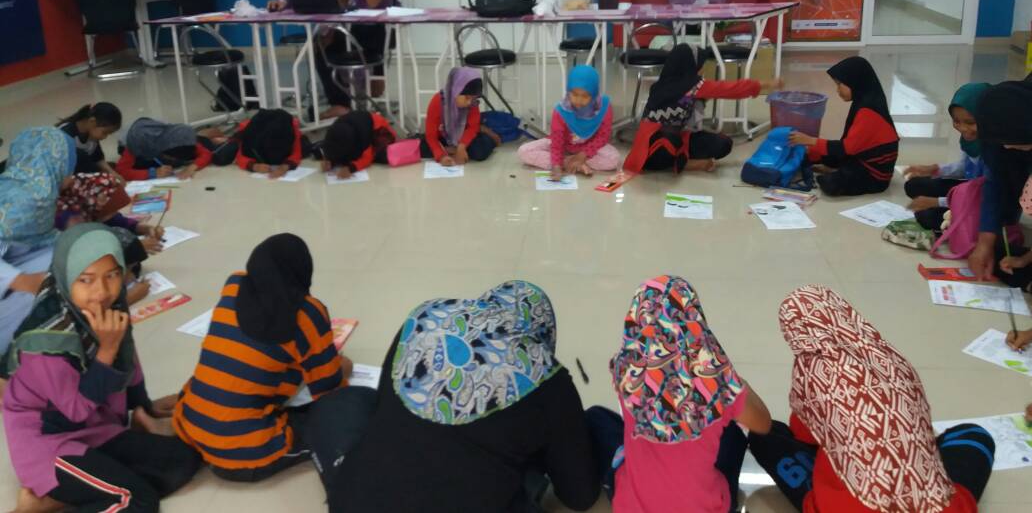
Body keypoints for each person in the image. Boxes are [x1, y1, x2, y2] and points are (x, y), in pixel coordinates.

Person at [321, 280, 600, 512]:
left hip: (352, 502)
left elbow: (384, 405)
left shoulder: (424, 317)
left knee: (354, 403)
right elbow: (579, 496)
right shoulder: (545, 373)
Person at [2, 224, 201, 513]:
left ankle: (58, 499)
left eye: (112, 275)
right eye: (86, 279)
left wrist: (143, 406)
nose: (102, 291)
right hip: (51, 446)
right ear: (66, 276)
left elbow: (130, 361)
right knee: (136, 501)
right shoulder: (45, 341)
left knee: (182, 460)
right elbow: (76, 411)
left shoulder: (111, 308)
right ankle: (40, 501)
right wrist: (106, 351)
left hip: (98, 429)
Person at [749, 285, 994, 513]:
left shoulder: (812, 374)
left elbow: (804, 435)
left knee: (767, 435)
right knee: (974, 435)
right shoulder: (891, 359)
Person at [173, 233, 365, 482]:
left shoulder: (234, 285)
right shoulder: (308, 313)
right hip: (245, 455)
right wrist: (342, 369)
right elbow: (330, 394)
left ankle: (168, 426)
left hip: (189, 426)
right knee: (339, 420)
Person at [590, 275, 771, 512]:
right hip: (704, 507)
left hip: (630, 505)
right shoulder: (720, 384)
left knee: (598, 418)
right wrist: (730, 376)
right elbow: (763, 424)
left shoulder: (624, 369)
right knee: (734, 433)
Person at [623, 45, 782, 174]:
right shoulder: (693, 86)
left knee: (723, 144)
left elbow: (684, 101)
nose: (702, 71)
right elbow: (731, 89)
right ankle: (683, 164)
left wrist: (702, 99)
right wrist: (766, 84)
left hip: (679, 140)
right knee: (666, 146)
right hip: (651, 151)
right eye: (700, 66)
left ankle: (681, 161)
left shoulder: (665, 83)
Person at [0, 127, 76, 356]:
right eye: (69, 167)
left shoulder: (23, 188)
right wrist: (20, 280)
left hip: (12, 267)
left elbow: (37, 243)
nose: (71, 176)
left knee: (66, 254)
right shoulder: (29, 199)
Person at [316, 0, 400, 119]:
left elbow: (372, 2)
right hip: (356, 25)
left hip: (382, 27)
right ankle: (340, 102)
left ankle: (372, 83)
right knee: (320, 47)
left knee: (375, 81)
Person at [789, 57, 898, 197]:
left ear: (855, 82)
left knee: (830, 183)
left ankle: (837, 170)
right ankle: (835, 167)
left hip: (874, 173)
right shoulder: (863, 100)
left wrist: (810, 140)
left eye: (840, 84)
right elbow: (847, 147)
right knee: (815, 155)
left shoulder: (868, 111)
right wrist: (813, 147)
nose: (837, 90)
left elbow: (846, 148)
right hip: (859, 156)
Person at [968, 77, 1032, 287]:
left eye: (1013, 141)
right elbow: (995, 180)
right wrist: (984, 243)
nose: (1007, 147)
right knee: (1002, 262)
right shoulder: (999, 120)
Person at [903, 83, 988, 231]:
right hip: (969, 188)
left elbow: (983, 196)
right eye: (956, 121)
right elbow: (964, 167)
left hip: (985, 203)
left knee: (927, 216)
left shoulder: (996, 150)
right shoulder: (972, 141)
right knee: (913, 185)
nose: (963, 128)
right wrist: (934, 169)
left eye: (970, 122)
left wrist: (937, 202)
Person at [518, 65, 620, 180]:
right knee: (524, 151)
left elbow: (603, 136)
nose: (579, 100)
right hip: (563, 145)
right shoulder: (561, 110)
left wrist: (583, 155)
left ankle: (575, 162)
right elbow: (557, 142)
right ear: (568, 91)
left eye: (585, 96)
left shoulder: (603, 107)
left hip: (588, 147)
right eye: (574, 94)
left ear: (594, 93)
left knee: (613, 159)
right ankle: (573, 164)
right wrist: (556, 165)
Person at [421, 67, 497, 165]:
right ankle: (450, 149)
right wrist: (441, 156)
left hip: (465, 136)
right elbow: (431, 135)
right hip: (444, 137)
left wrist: (462, 147)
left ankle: (453, 149)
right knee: (423, 147)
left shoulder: (472, 103)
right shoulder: (438, 102)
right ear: (456, 90)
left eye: (473, 99)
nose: (469, 102)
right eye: (467, 98)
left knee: (480, 151)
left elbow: (472, 128)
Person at [115, 117, 214, 181]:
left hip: (161, 137)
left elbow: (206, 153)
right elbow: (121, 171)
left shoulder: (181, 139)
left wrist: (192, 167)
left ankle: (206, 135)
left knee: (206, 143)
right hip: (134, 142)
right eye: (171, 158)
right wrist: (152, 173)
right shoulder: (138, 143)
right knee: (141, 164)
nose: (173, 161)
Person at [320, 111, 396, 179]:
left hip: (376, 126)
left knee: (383, 155)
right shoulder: (332, 133)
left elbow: (367, 159)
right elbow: (333, 148)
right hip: (355, 128)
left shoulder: (364, 136)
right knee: (345, 157)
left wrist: (351, 169)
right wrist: (329, 160)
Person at [56, 103, 123, 180]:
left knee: (112, 168)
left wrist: (113, 173)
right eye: (105, 132)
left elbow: (97, 158)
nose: (105, 137)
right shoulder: (65, 134)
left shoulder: (92, 135)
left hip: (83, 169)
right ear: (92, 122)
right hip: (66, 174)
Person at [233, 109, 303, 178]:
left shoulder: (290, 127)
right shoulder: (249, 131)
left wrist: (286, 166)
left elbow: (297, 151)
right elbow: (240, 155)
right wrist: (254, 166)